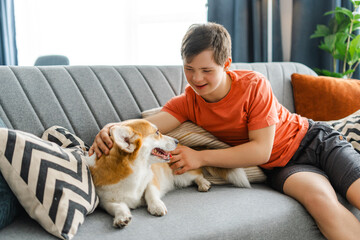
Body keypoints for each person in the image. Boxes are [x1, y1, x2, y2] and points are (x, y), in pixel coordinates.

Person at [89, 22, 360, 239]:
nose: (196, 79)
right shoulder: (188, 102)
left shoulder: (255, 85)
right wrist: (111, 130)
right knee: (322, 202)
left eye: (207, 70)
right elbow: (146, 128)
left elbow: (260, 148)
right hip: (284, 166)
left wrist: (200, 157)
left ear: (226, 64)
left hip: (316, 141)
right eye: (189, 69)